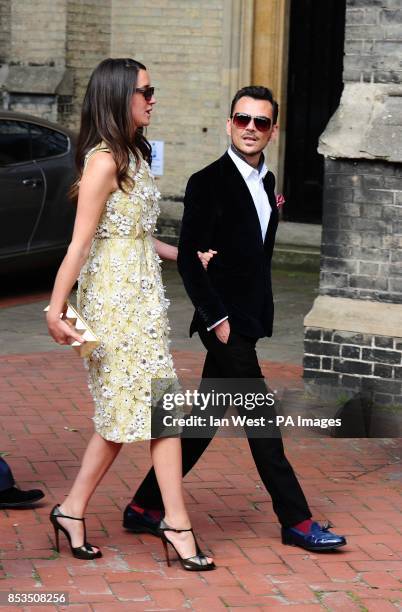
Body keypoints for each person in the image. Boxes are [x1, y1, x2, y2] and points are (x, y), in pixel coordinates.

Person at [123, 85, 347, 553]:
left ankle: (144, 506)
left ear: (272, 130)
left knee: (205, 418)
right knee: (263, 419)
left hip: (248, 318)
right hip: (223, 323)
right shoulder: (207, 181)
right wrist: (217, 318)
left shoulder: (267, 184)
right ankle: (297, 520)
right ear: (229, 124)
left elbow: (251, 255)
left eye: (260, 122)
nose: (250, 128)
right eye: (242, 119)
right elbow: (188, 258)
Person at [46, 57, 215, 570]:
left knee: (126, 418)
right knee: (158, 412)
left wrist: (184, 254)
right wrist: (55, 308)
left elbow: (135, 235)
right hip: (113, 308)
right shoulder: (103, 161)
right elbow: (79, 244)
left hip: (144, 304)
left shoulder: (136, 156)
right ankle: (176, 523)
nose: (153, 98)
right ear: (119, 97)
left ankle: (71, 510)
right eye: (146, 91)